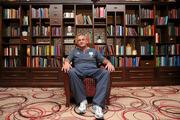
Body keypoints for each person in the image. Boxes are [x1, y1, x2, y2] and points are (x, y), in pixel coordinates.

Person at [62, 33, 115, 119]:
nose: (81, 41)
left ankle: (97, 105)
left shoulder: (94, 51)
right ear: (76, 42)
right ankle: (82, 101)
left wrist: (109, 63)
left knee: (105, 73)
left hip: (93, 70)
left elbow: (103, 59)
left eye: (83, 39)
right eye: (79, 40)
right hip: (79, 70)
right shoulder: (74, 51)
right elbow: (67, 59)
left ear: (87, 41)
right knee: (71, 71)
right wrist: (66, 63)